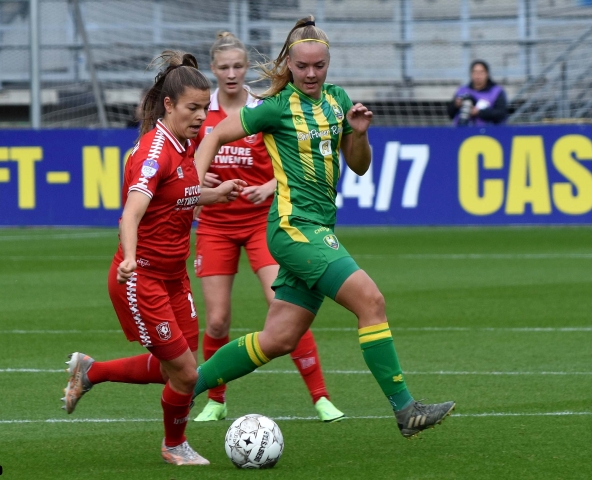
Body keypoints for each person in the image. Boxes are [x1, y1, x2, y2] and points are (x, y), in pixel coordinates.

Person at [190, 16, 455, 439]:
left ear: (329, 63)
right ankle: (406, 410)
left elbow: (360, 166)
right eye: (302, 67)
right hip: (295, 229)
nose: (311, 74)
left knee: (278, 339)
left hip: (316, 228)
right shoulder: (274, 107)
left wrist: (360, 134)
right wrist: (193, 183)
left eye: (319, 66)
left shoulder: (337, 100)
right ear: (288, 65)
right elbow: (215, 135)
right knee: (371, 301)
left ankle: (186, 385)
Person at [60, 50, 244, 466]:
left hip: (174, 276)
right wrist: (128, 257)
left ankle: (91, 371)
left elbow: (177, 198)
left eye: (205, 108)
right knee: (185, 373)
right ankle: (173, 445)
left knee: (177, 369)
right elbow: (132, 212)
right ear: (169, 105)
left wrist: (213, 194)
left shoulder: (186, 143)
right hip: (139, 278)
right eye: (193, 109)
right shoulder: (153, 153)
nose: (201, 117)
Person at [192, 31, 345, 423]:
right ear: (213, 69)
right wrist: (199, 182)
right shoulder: (201, 113)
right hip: (215, 226)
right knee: (217, 320)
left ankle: (320, 397)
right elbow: (185, 159)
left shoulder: (268, 106)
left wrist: (267, 186)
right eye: (223, 67)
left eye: (237, 66)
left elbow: (295, 164)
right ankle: (216, 399)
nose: (231, 73)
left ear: (246, 69)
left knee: (284, 308)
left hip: (264, 221)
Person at [448, 60, 508, 126]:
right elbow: (450, 114)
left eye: (481, 72)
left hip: (489, 133)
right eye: (475, 72)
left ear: (487, 74)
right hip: (463, 133)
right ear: (471, 74)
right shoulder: (462, 91)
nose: (478, 75)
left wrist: (479, 112)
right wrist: (456, 105)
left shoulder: (497, 91)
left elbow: (501, 114)